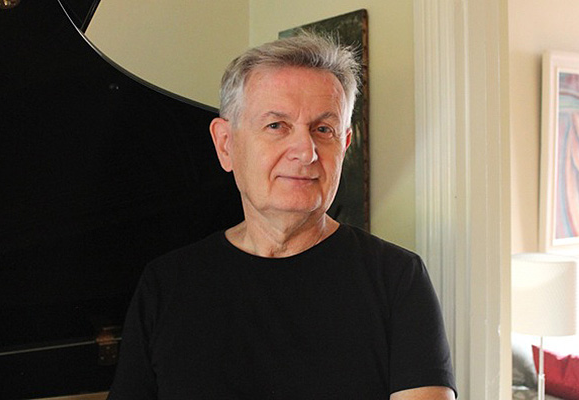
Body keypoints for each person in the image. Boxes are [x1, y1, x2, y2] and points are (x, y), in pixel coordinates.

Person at [107, 32, 457, 399]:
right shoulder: (166, 285)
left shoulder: (397, 280)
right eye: (277, 126)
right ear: (225, 144)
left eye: (323, 130)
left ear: (344, 146)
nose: (306, 152)